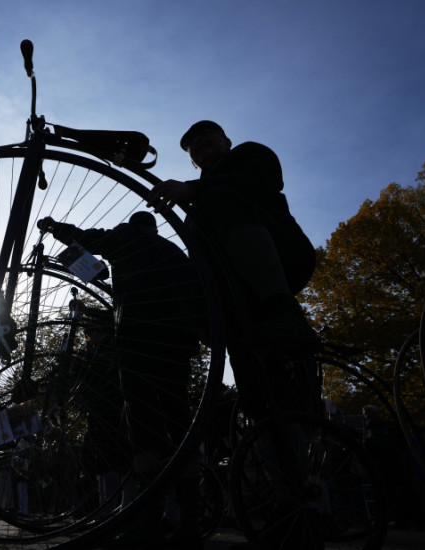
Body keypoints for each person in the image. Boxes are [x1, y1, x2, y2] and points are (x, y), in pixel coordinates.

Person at [148, 121, 322, 549]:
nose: (200, 146)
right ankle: (292, 505)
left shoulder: (247, 158)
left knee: (292, 400)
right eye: (191, 146)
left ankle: (317, 507)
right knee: (262, 402)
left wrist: (194, 188)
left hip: (279, 262)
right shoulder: (203, 198)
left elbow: (253, 180)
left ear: (226, 140)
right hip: (240, 307)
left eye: (207, 137)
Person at [37, 211, 203, 549]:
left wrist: (56, 229)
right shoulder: (175, 253)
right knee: (179, 423)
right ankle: (190, 521)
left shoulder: (127, 238)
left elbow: (88, 238)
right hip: (177, 346)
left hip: (138, 344)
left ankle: (148, 521)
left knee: (143, 428)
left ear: (133, 226)